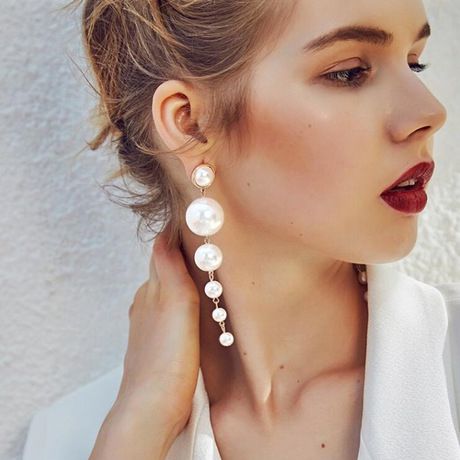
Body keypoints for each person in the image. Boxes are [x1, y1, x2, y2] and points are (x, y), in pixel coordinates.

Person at [22, 0, 460, 459]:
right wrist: (138, 426)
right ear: (190, 123)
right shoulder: (67, 438)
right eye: (349, 73)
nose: (430, 111)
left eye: (415, 63)